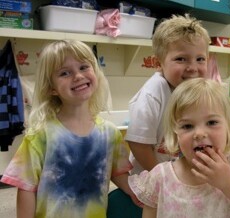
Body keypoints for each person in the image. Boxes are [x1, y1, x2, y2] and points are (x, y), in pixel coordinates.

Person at [0, 39, 139, 218]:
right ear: (52, 88)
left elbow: (117, 172)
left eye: (83, 67)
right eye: (65, 73)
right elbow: (26, 187)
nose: (78, 76)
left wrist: (136, 192)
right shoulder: (41, 135)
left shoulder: (110, 133)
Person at [129, 78, 230, 218]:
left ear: (228, 127)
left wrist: (229, 184)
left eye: (212, 122)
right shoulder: (160, 177)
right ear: (176, 134)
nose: (199, 134)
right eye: (187, 126)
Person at [125, 14, 212, 174]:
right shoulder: (153, 93)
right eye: (181, 59)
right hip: (150, 177)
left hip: (179, 174)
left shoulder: (196, 91)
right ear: (159, 63)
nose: (193, 67)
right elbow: (138, 143)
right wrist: (161, 177)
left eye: (200, 59)